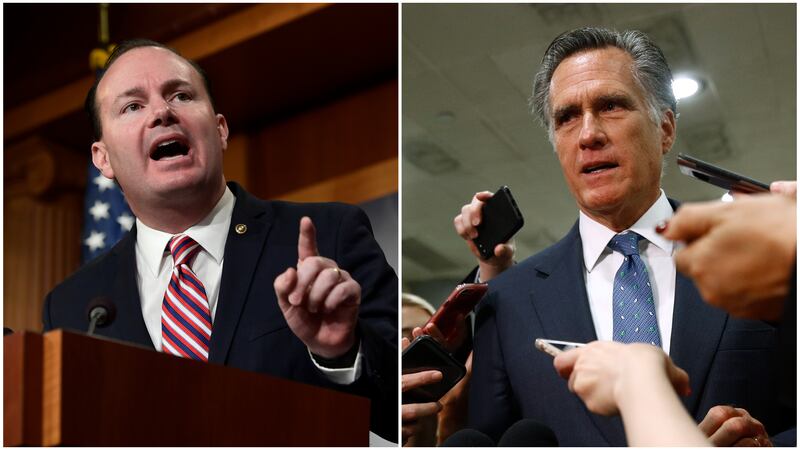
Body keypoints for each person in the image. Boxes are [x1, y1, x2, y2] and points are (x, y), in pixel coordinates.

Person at [41, 39, 397, 442]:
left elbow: (406, 403)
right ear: (102, 158)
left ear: (220, 129)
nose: (161, 112)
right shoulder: (73, 306)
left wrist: (342, 352)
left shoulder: (330, 233)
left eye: (181, 95)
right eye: (133, 106)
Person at [454, 27, 791, 445]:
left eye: (610, 105)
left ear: (665, 129)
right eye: (567, 117)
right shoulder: (508, 301)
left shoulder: (764, 256)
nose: (588, 134)